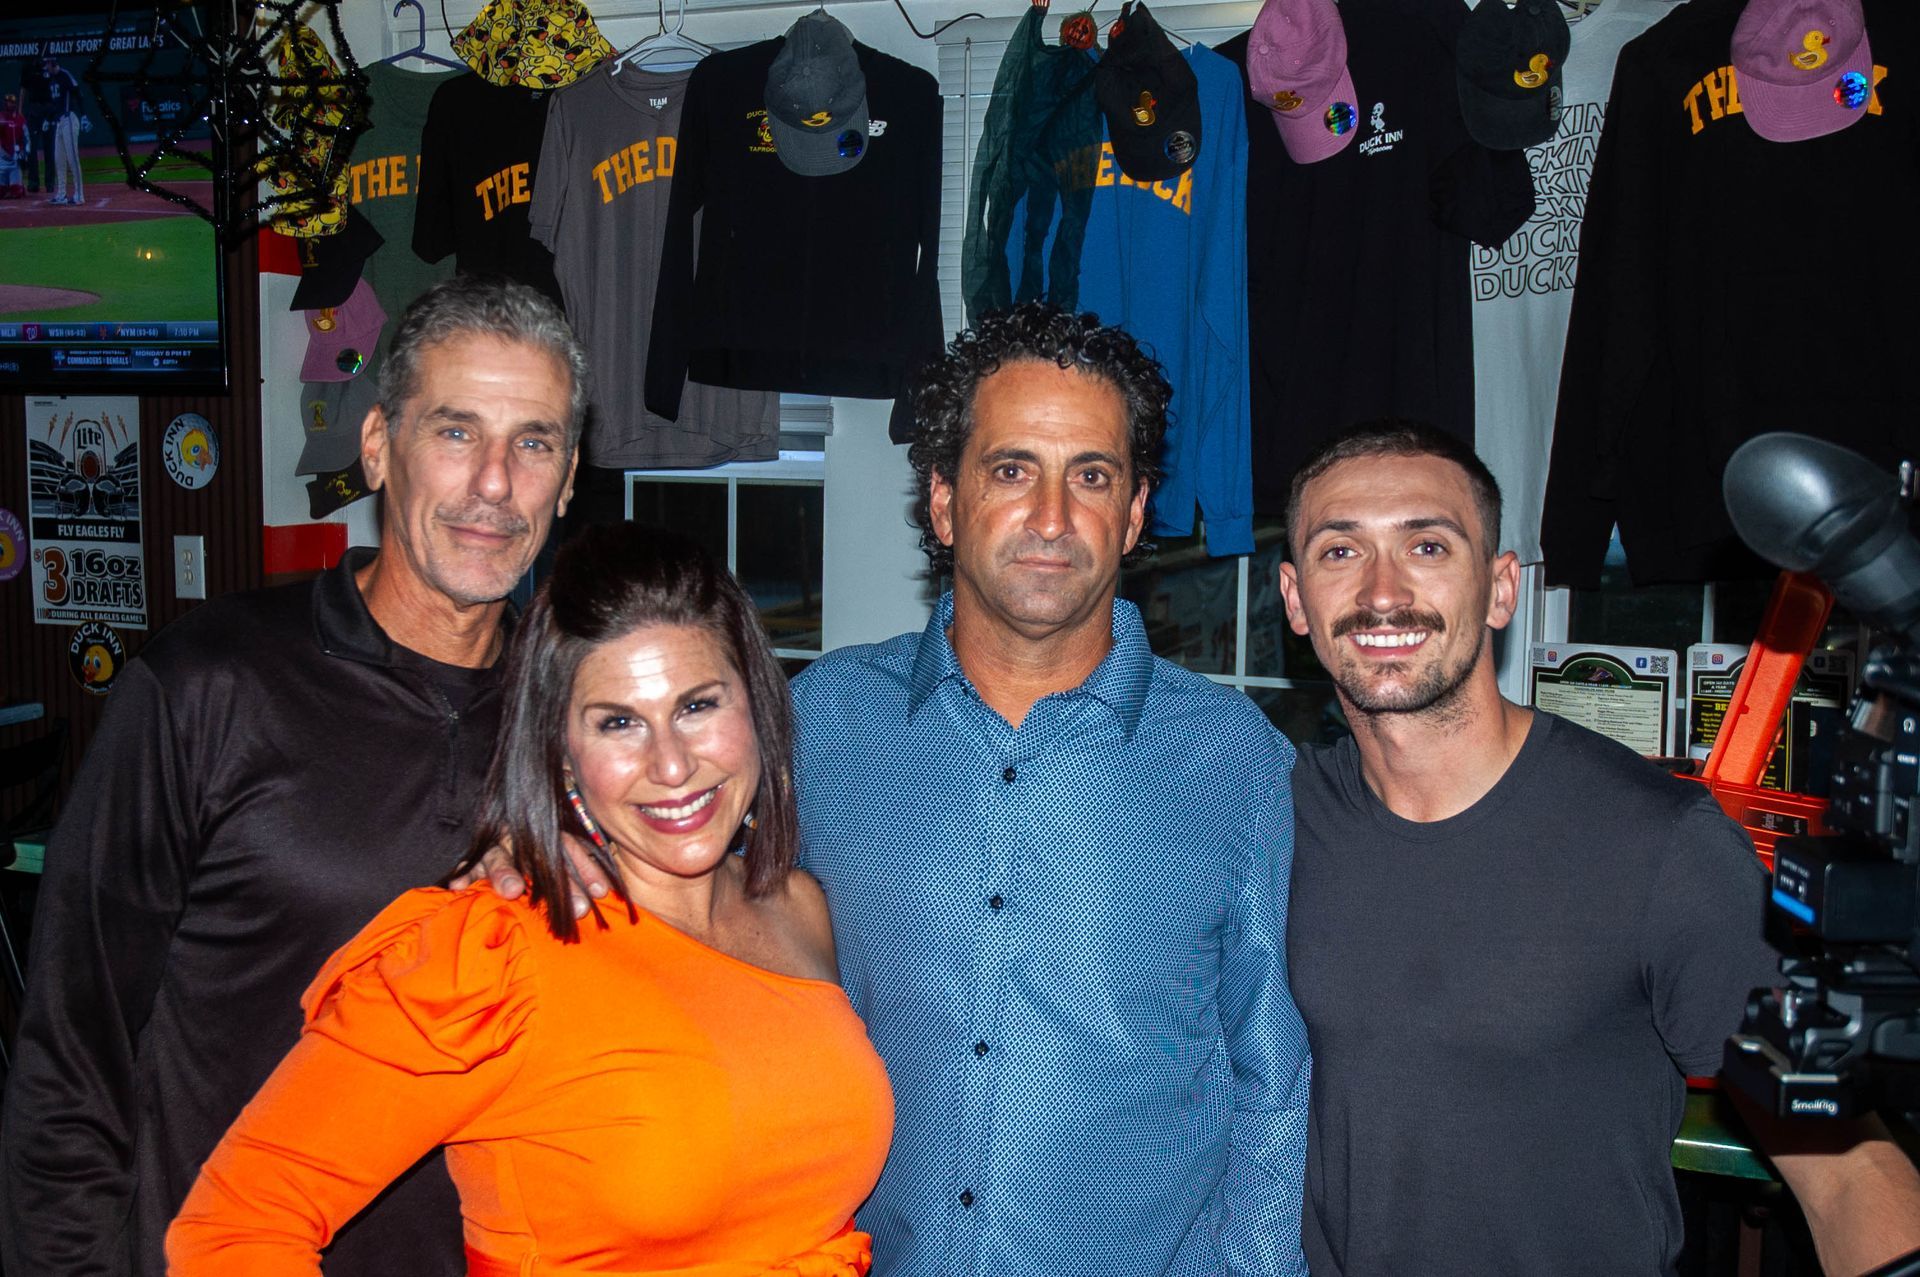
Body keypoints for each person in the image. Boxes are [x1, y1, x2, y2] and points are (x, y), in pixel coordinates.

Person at [477, 303, 1312, 1275]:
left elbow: (1272, 1083)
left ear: (1133, 513)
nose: (1051, 516)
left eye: (1091, 475)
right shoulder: (818, 722)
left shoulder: (1234, 760)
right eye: (1012, 470)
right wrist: (550, 849)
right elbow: (686, 879)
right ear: (946, 501)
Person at [0, 274, 584, 1277]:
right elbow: (71, 1043)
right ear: (375, 447)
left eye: (533, 441)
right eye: (455, 431)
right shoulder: (207, 683)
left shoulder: (580, 722)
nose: (495, 481)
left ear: (569, 477)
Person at [1275, 419, 1920, 1276]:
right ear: (1293, 599)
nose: (1384, 592)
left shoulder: (1661, 846)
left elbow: (1846, 1171)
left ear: (1501, 588)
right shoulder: (1270, 817)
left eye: (1428, 545)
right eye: (1340, 552)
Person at [167, 524, 893, 1276]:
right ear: (561, 750)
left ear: (757, 704)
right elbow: (234, 1225)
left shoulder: (799, 906)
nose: (672, 763)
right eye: (618, 722)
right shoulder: (492, 954)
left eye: (698, 705)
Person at [38, 52, 83, 206]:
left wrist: (83, 115)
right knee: (59, 159)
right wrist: (48, 119)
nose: (46, 68)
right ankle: (62, 194)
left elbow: (77, 93)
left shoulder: (65, 75)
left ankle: (79, 195)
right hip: (58, 121)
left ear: (52, 63)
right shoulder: (52, 81)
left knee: (73, 158)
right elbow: (54, 105)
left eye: (47, 65)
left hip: (69, 118)